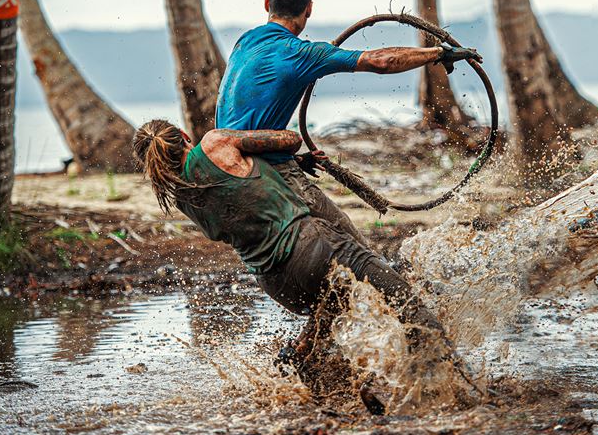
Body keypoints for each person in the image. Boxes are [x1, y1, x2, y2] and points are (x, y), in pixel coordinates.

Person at [132, 119, 469, 413]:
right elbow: (289, 138)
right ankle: (463, 387)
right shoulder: (215, 142)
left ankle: (300, 366)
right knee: (408, 306)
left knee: (334, 311)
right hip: (315, 247)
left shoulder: (180, 194)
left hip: (277, 284)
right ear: (181, 133)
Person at [216, 0, 482, 246]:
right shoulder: (302, 53)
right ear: (309, 9)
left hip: (221, 163)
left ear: (267, 2)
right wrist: (439, 53)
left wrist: (295, 159)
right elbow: (381, 61)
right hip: (262, 169)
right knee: (350, 240)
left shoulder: (244, 42)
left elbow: (241, 120)